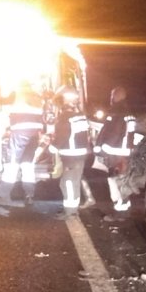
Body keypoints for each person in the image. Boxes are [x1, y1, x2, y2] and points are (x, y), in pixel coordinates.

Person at [0, 85, 44, 207]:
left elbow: (2, 103)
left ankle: (3, 195)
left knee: (12, 165)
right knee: (28, 166)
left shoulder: (15, 95)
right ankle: (29, 195)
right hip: (34, 136)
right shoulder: (37, 97)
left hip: (18, 134)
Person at [52, 86, 91, 219]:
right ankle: (73, 209)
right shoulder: (80, 116)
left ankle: (69, 211)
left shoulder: (65, 117)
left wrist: (52, 147)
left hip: (70, 155)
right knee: (73, 182)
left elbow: (61, 137)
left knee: (67, 183)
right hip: (80, 155)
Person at [95, 86, 135, 211]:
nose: (111, 98)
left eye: (112, 96)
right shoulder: (129, 113)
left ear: (116, 97)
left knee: (116, 180)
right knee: (120, 180)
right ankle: (122, 207)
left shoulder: (116, 112)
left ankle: (120, 212)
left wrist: (102, 147)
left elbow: (113, 133)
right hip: (124, 153)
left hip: (115, 152)